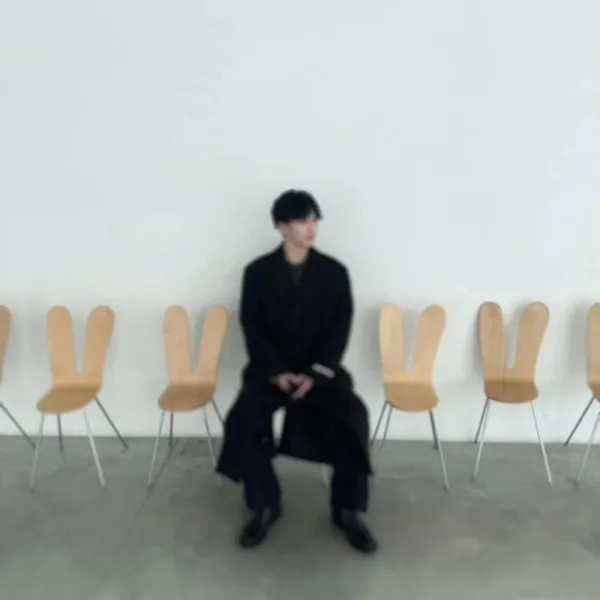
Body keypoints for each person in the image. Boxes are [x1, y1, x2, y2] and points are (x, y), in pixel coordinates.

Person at [216, 189, 377, 554]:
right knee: (243, 420)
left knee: (354, 417)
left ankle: (347, 510)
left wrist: (316, 374)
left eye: (315, 219)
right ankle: (265, 503)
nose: (311, 227)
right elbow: (252, 327)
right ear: (282, 226)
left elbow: (339, 329)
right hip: (271, 371)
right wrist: (276, 372)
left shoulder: (334, 273)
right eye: (303, 220)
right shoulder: (257, 273)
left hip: (319, 372)